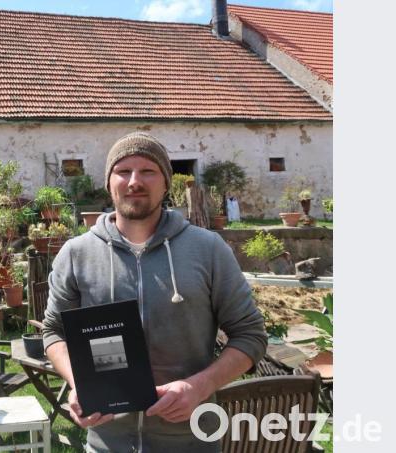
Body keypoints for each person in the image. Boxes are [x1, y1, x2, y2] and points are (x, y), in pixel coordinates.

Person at [42, 132, 267, 452]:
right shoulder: (76, 254)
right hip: (107, 442)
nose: (135, 181)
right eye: (123, 171)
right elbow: (53, 333)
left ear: (166, 183)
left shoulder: (208, 250)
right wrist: (80, 384)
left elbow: (251, 336)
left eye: (148, 171)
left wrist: (199, 386)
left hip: (190, 441)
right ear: (109, 183)